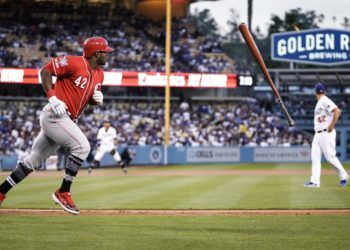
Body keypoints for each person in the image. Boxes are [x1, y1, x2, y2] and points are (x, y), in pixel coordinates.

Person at [0, 37, 113, 214]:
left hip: (65, 120)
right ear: (96, 53)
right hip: (55, 115)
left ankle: (0, 192)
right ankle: (63, 191)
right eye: (105, 52)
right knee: (83, 147)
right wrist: (53, 98)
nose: (108, 55)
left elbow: (85, 98)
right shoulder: (74, 62)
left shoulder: (100, 74)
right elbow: (45, 71)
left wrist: (94, 100)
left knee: (33, 161)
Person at [304, 83, 349, 188]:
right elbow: (337, 111)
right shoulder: (320, 102)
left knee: (330, 157)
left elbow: (337, 111)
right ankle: (315, 181)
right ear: (324, 90)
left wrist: (332, 125)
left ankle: (343, 175)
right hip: (318, 134)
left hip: (326, 133)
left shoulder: (324, 100)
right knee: (315, 158)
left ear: (315, 92)